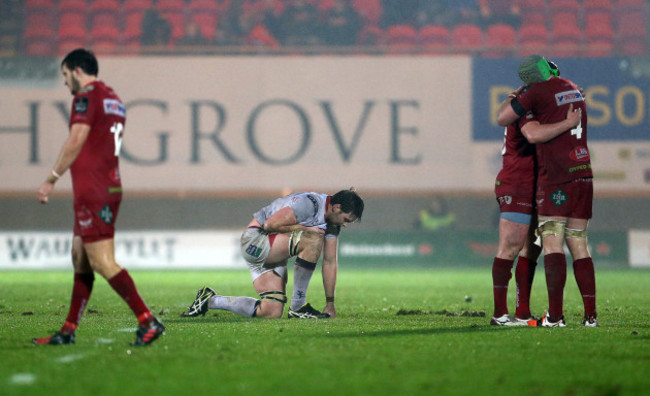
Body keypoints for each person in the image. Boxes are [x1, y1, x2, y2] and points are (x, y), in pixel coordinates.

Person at [34, 49, 165, 346]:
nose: (66, 84)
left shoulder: (86, 97)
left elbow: (77, 138)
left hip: (94, 191)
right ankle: (68, 331)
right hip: (106, 186)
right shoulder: (113, 99)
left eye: (66, 76)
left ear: (78, 71)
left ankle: (147, 320)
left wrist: (51, 179)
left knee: (103, 261)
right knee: (79, 257)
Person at [497, 54, 597, 328]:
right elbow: (527, 127)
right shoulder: (566, 93)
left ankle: (550, 316)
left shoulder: (536, 98)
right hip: (570, 175)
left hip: (551, 178)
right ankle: (587, 316)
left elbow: (512, 121)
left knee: (543, 245)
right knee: (569, 244)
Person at [182, 189, 364, 320]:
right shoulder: (309, 204)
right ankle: (298, 306)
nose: (346, 224)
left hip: (273, 252)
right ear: (336, 207)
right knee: (313, 238)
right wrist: (305, 228)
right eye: (346, 219)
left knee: (271, 311)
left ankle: (210, 300)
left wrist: (330, 302)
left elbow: (330, 262)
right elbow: (269, 225)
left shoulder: (333, 222)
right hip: (256, 241)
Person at [490, 61, 570, 327]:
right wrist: (569, 120)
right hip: (518, 183)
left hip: (537, 184)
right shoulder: (525, 107)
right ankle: (500, 314)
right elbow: (533, 135)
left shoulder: (531, 103)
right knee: (511, 246)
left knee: (532, 248)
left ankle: (522, 311)